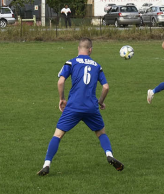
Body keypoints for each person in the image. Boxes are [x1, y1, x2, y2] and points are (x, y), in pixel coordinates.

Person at [37, 37, 124, 176]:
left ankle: (46, 165)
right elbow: (106, 87)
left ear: (79, 48)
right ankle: (109, 154)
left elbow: (60, 82)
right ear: (90, 50)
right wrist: (100, 101)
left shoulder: (71, 62)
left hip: (73, 106)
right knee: (101, 133)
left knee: (58, 135)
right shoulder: (97, 66)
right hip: (91, 107)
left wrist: (62, 99)